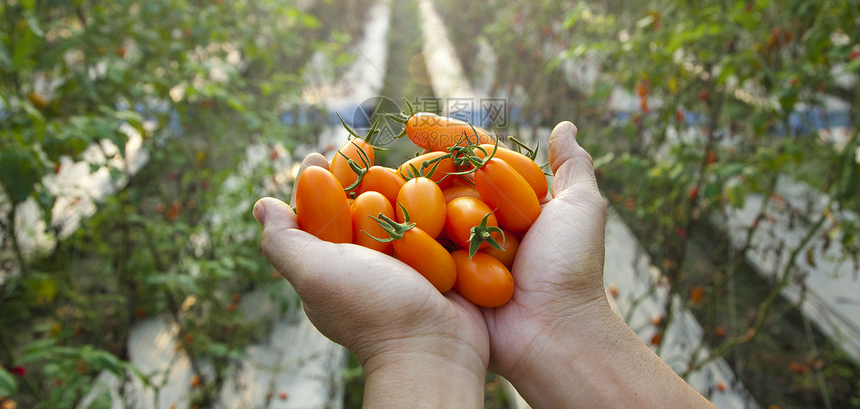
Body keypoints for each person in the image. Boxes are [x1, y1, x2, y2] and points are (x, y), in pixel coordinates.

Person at [252, 121, 715, 408]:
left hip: (449, 240)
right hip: (443, 240)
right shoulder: (426, 216)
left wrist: (410, 347)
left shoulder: (449, 211)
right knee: (373, 194)